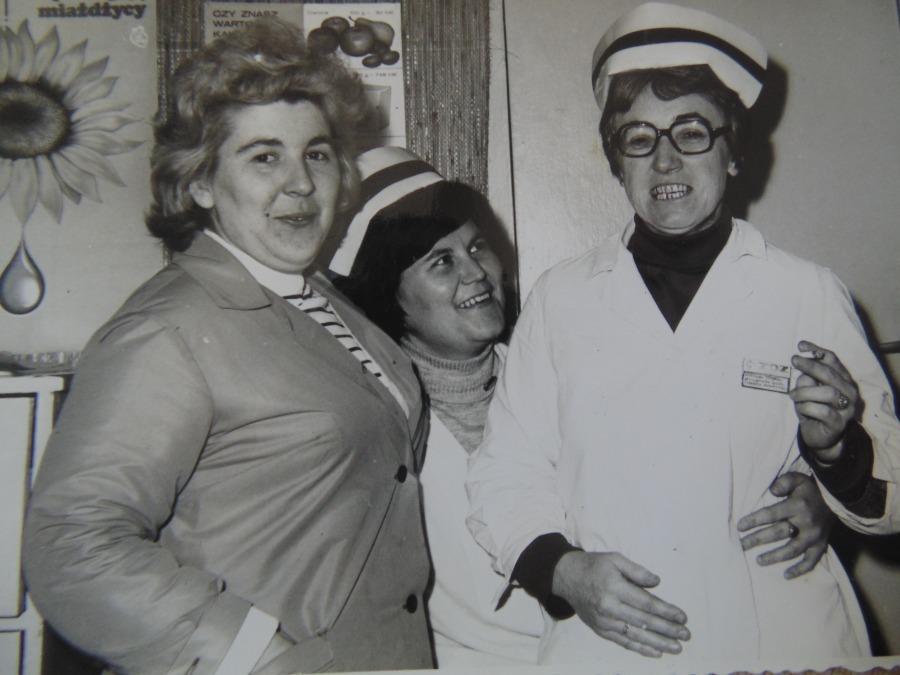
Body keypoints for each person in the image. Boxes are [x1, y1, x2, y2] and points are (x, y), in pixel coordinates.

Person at [465, 2, 900, 668]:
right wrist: (563, 571)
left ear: (734, 152)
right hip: (613, 645)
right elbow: (505, 470)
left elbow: (892, 495)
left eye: (692, 132)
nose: (665, 159)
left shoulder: (805, 294)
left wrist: (834, 452)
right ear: (617, 161)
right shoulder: (561, 299)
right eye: (638, 138)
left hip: (779, 636)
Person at [23, 19, 433, 675]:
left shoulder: (324, 303)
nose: (300, 183)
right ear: (202, 183)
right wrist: (252, 652)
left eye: (317, 154)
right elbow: (69, 546)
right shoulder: (168, 328)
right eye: (264, 157)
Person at [328, 147, 837, 668]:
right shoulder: (376, 428)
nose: (476, 272)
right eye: (442, 262)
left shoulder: (573, 362)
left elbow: (698, 460)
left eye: (477, 246)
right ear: (389, 293)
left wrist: (813, 491)